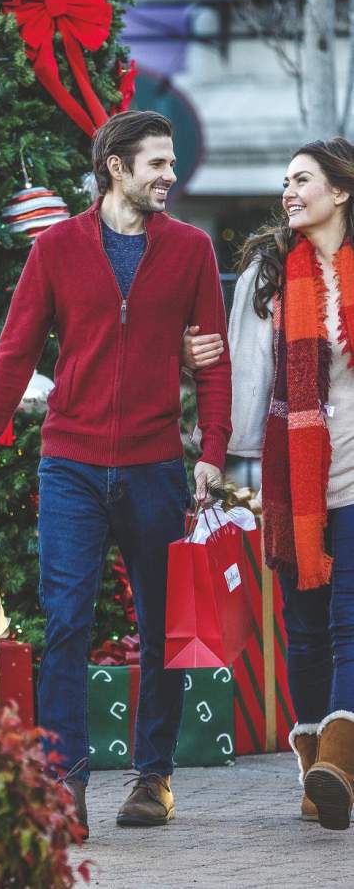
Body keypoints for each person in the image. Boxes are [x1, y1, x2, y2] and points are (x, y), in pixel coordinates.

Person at [0, 110, 232, 837]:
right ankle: (63, 783)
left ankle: (152, 777)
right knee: (65, 622)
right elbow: (12, 354)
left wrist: (211, 453)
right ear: (115, 168)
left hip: (158, 465)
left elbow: (214, 361)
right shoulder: (58, 249)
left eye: (170, 165)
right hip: (69, 463)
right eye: (157, 165)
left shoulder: (191, 250)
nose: (169, 176)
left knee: (163, 622)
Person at [186, 136, 354, 832]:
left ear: (340, 192)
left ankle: (337, 765)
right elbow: (244, 377)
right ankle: (317, 775)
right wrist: (219, 451)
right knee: (305, 632)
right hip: (294, 478)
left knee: (348, 624)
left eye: (302, 180)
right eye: (283, 181)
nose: (288, 192)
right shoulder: (266, 272)